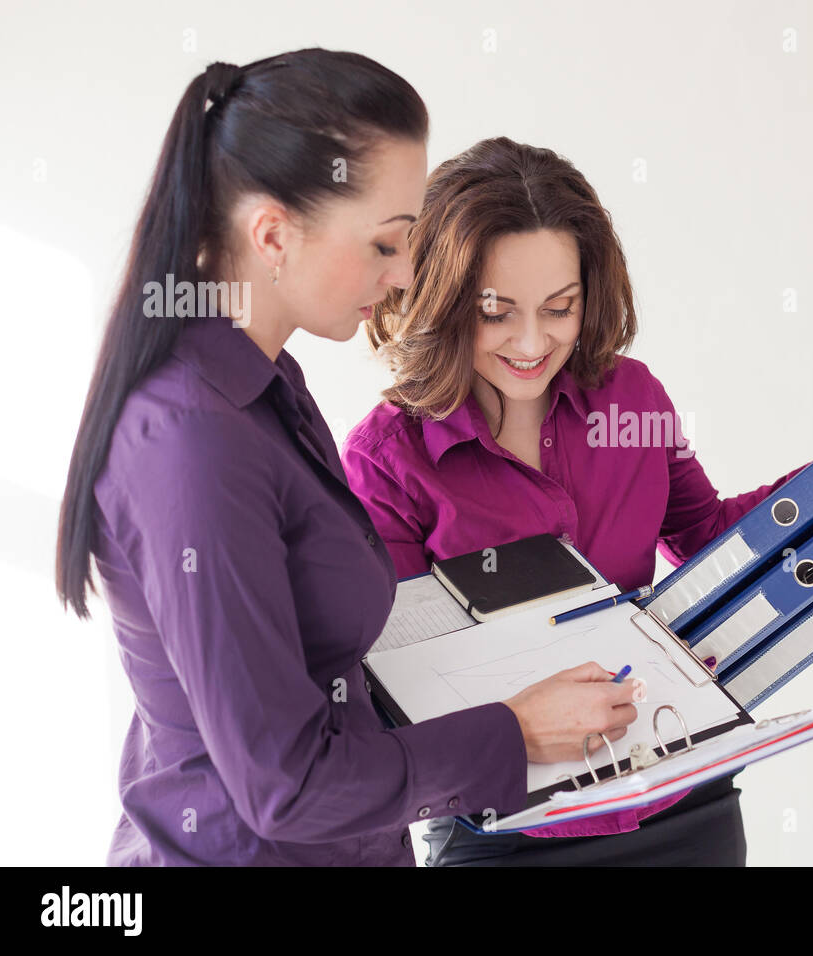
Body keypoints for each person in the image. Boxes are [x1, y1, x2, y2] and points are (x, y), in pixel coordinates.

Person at [55, 51, 636, 866]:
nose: (404, 277)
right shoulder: (190, 443)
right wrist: (515, 733)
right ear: (273, 235)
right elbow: (287, 785)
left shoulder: (268, 388)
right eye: (388, 246)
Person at [342, 136, 813, 866]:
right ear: (445, 299)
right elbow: (394, 685)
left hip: (683, 800)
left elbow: (706, 538)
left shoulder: (633, 399)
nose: (532, 342)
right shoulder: (387, 458)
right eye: (497, 313)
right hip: (508, 833)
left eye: (559, 308)